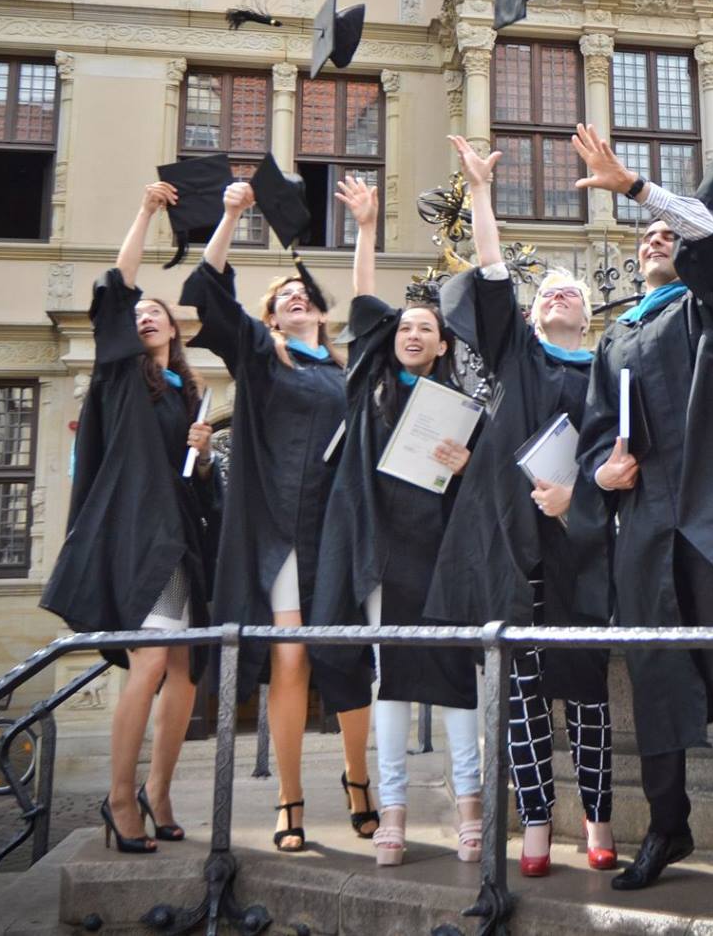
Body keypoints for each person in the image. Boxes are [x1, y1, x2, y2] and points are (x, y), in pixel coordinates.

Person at [571, 126, 713, 904]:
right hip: (648, 525)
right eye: (647, 237)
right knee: (657, 681)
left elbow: (711, 242)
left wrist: (639, 190)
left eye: (668, 234)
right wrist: (602, 471)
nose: (656, 239)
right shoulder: (616, 338)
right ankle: (668, 827)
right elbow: (596, 435)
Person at [425, 136, 616, 879]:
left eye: (572, 292)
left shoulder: (609, 372)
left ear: (588, 315)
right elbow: (494, 275)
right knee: (524, 694)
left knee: (589, 692)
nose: (559, 295)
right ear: (534, 317)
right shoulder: (520, 358)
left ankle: (598, 821)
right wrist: (480, 193)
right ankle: (535, 826)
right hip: (518, 549)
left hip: (585, 546)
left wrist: (582, 497)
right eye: (549, 293)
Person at [181, 182, 370, 853]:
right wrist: (231, 214)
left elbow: (370, 311)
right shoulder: (264, 359)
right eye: (283, 297)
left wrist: (365, 229)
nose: (295, 298)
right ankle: (290, 799)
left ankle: (358, 780)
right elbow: (208, 293)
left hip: (337, 530)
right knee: (291, 660)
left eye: (304, 294)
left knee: (345, 660)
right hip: (281, 532)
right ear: (273, 317)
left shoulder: (346, 372)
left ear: (319, 311)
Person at [310, 175, 484, 867]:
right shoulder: (369, 386)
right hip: (383, 554)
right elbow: (362, 305)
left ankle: (470, 808)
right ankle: (393, 811)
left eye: (425, 329)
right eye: (406, 327)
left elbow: (480, 487)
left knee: (456, 681)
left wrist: (466, 464)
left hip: (443, 554)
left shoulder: (460, 405)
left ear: (442, 346)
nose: (412, 333)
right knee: (392, 682)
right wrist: (365, 230)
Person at [41, 182, 218, 853]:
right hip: (140, 539)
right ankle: (119, 798)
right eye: (138, 314)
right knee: (149, 664)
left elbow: (193, 484)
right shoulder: (119, 374)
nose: (144, 317)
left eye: (156, 313)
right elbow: (117, 287)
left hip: (180, 542)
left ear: (174, 331)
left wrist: (202, 456)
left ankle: (159, 791)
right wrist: (145, 213)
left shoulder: (186, 395)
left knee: (185, 673)